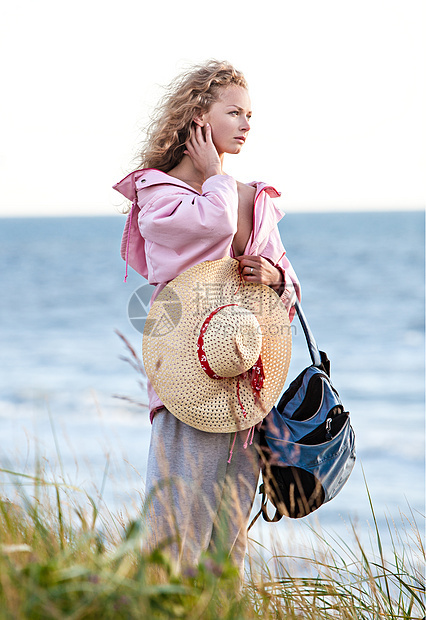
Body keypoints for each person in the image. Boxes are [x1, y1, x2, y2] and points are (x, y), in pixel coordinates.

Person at [113, 60, 301, 579]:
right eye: (234, 112)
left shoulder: (253, 199)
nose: (246, 124)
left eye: (250, 114)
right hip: (187, 375)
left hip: (244, 373)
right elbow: (210, 220)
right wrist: (218, 176)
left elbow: (292, 288)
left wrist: (274, 278)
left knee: (229, 530)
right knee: (172, 520)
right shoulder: (158, 196)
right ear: (199, 117)